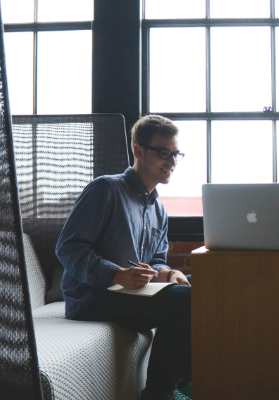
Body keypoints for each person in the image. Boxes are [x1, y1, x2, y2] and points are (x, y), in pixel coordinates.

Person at [56, 115, 192, 400]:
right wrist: (117, 274)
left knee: (202, 288)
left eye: (175, 154)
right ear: (139, 150)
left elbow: (156, 260)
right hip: (93, 298)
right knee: (187, 301)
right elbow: (68, 248)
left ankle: (182, 383)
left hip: (132, 294)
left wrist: (168, 273)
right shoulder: (106, 189)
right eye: (163, 153)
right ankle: (159, 394)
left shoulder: (159, 210)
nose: (172, 162)